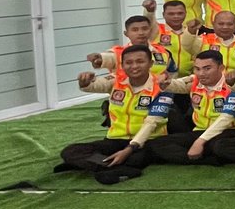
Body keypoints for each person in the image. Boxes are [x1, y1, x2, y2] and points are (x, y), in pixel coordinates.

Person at [59, 45, 173, 185]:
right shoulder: (117, 80)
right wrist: (85, 82)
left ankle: (99, 165)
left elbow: (151, 123)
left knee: (134, 159)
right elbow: (94, 85)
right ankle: (112, 168)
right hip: (115, 139)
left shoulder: (164, 86)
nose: (134, 66)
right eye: (129, 62)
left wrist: (128, 150)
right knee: (70, 151)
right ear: (122, 65)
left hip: (147, 141)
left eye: (140, 61)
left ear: (150, 63)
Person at [148, 50, 235, 165]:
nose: (201, 73)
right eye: (197, 69)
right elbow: (178, 84)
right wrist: (164, 82)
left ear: (221, 68)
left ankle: (204, 154)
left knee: (218, 146)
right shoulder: (195, 81)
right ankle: (207, 160)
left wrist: (199, 142)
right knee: (157, 144)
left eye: (207, 68)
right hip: (200, 131)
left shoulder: (234, 85)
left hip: (230, 131)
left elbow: (226, 118)